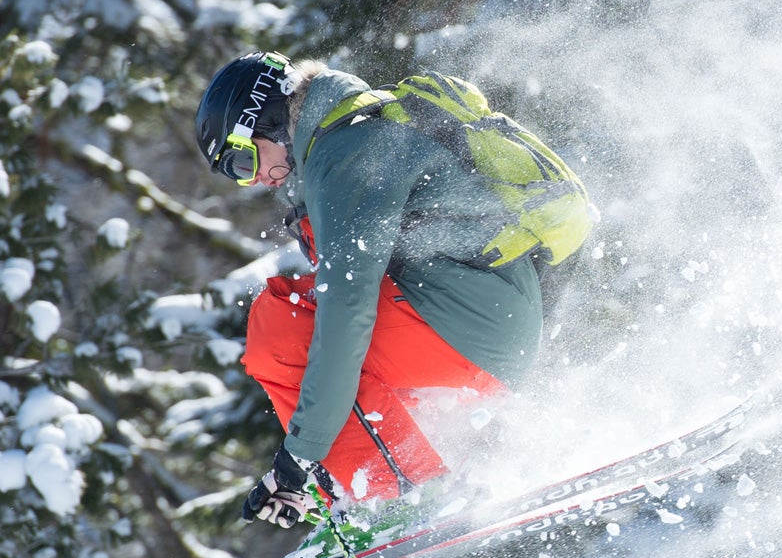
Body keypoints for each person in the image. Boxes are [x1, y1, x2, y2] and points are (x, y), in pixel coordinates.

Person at [190, 52, 592, 530]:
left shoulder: (349, 153)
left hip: (467, 326)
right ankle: (419, 475)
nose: (253, 178)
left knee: (279, 324)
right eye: (237, 174)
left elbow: (347, 312)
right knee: (305, 319)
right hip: (479, 322)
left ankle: (395, 492)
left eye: (242, 160)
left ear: (270, 119)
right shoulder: (355, 136)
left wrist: (300, 458)